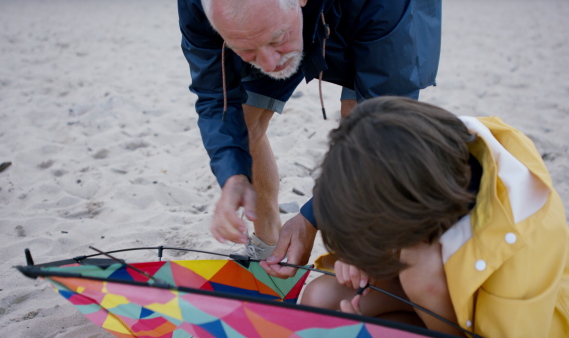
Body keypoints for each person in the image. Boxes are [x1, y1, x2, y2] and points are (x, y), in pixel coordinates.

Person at [299, 96, 569, 337]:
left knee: (420, 271)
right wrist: (362, 257)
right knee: (323, 301)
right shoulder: (428, 157)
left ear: (406, 210)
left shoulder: (526, 235)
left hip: (507, 326)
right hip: (437, 294)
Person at [177, 0, 442, 272]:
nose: (270, 63)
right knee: (243, 122)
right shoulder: (197, 6)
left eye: (277, 39)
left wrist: (313, 217)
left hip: (370, 13)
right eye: (246, 50)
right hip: (283, 18)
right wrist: (232, 175)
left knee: (360, 127)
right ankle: (269, 249)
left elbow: (384, 126)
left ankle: (352, 254)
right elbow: (215, 96)